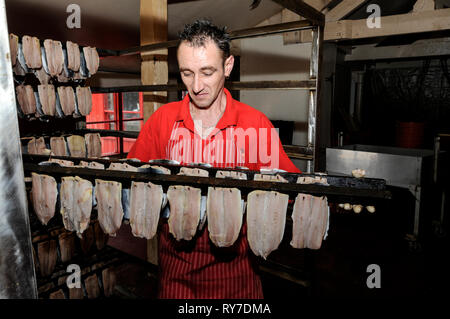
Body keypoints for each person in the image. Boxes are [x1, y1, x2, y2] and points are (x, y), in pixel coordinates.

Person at [127, 19, 300, 299]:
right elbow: (131, 178)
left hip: (236, 271)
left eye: (207, 72)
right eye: (187, 73)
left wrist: (329, 198)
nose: (196, 86)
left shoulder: (254, 124)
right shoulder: (163, 121)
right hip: (177, 270)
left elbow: (290, 188)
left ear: (227, 67)